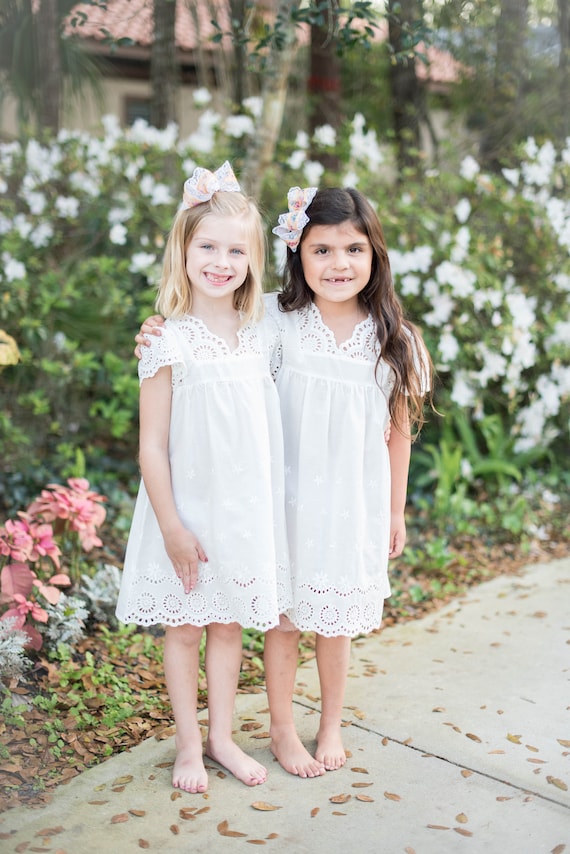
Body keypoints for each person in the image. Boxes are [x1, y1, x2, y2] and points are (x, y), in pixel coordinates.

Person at [135, 183, 433, 780]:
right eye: (321, 250)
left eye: (353, 250)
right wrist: (155, 330)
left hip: (351, 501)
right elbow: (210, 331)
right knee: (284, 618)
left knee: (335, 618)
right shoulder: (274, 318)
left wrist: (395, 511)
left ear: (375, 256)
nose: (339, 264)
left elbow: (400, 431)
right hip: (284, 497)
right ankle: (279, 727)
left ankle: (329, 723)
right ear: (297, 255)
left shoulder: (396, 339)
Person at [117, 162, 291, 795]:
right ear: (183, 251)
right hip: (186, 514)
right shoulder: (167, 340)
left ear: (252, 259)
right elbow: (152, 445)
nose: (221, 261)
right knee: (185, 628)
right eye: (207, 246)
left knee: (229, 625)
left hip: (243, 512)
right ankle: (188, 745)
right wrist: (171, 527)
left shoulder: (262, 332)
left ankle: (223, 738)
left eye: (235, 249)